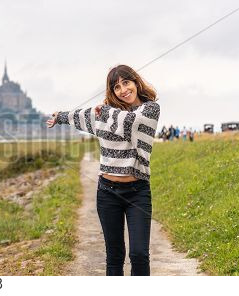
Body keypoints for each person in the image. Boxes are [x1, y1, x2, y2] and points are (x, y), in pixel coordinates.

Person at [47, 64, 160, 276]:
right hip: (107, 193)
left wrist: (105, 111)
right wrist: (60, 116)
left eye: (126, 83)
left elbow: (130, 123)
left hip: (138, 193)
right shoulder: (103, 114)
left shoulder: (150, 109)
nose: (123, 90)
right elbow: (81, 116)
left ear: (136, 82)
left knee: (139, 255)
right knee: (115, 256)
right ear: (112, 91)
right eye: (116, 87)